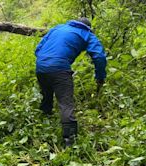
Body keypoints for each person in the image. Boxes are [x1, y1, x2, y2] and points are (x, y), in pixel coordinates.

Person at [35, 17, 107, 147]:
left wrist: (46, 61)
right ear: (88, 28)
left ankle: (43, 120)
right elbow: (99, 56)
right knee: (65, 103)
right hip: (60, 69)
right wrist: (100, 76)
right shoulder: (87, 34)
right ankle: (70, 140)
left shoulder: (58, 28)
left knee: (47, 94)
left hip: (40, 67)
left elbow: (38, 48)